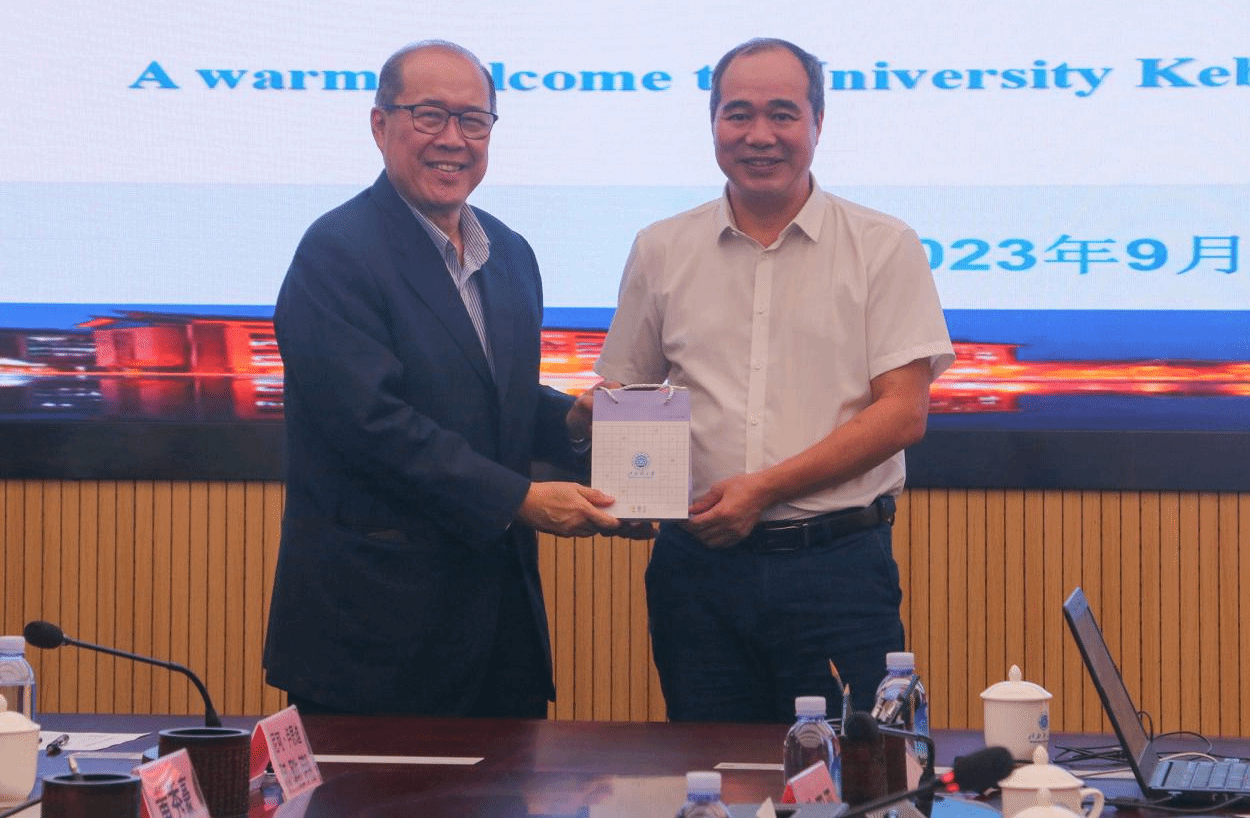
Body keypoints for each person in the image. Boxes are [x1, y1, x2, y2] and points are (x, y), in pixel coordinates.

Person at [264, 39, 631, 718]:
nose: (453, 139)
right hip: (374, 637)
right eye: (430, 115)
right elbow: (371, 425)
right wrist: (520, 498)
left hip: (501, 634)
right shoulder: (336, 252)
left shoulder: (510, 253)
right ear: (380, 125)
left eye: (473, 120)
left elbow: (489, 397)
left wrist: (570, 421)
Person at [594, 37, 955, 722]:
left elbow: (903, 413)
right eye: (738, 114)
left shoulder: (883, 245)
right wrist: (603, 452)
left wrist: (761, 489)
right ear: (713, 123)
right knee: (710, 765)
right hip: (696, 573)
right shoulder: (660, 247)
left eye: (782, 114)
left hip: (837, 570)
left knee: (856, 769)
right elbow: (626, 394)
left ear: (817, 123)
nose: (759, 135)